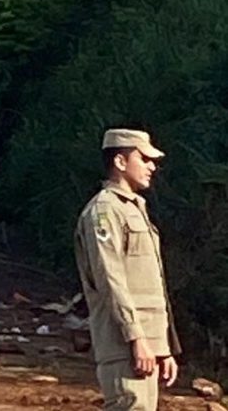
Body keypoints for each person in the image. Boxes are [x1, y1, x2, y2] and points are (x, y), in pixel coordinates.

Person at [74, 129, 181, 411]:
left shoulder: (134, 209)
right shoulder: (105, 211)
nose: (152, 166)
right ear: (120, 162)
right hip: (124, 345)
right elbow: (111, 279)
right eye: (143, 158)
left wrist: (163, 347)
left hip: (146, 344)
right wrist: (136, 338)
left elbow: (149, 284)